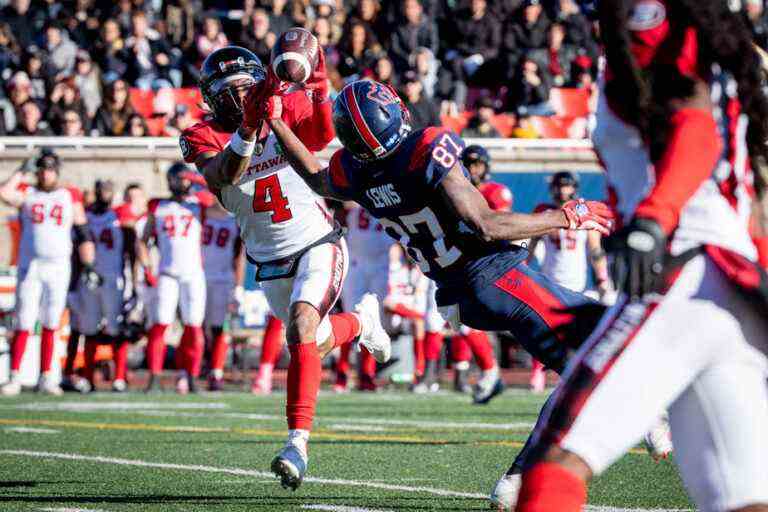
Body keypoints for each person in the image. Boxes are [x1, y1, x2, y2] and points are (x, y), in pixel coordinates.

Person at [513, 0, 768, 511]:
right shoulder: (725, 44)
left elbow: (692, 125)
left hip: (680, 270)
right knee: (741, 501)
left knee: (552, 466)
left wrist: (653, 216)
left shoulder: (655, 24)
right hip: (733, 288)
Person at [178, 46, 391, 490]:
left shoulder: (282, 105)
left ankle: (298, 443)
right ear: (210, 98)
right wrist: (251, 128)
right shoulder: (200, 134)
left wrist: (314, 81)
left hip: (318, 241)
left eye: (244, 89)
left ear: (258, 83)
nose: (238, 99)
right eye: (227, 92)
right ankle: (361, 322)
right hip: (269, 261)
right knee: (315, 339)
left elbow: (321, 130)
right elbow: (226, 175)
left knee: (300, 329)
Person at [0, 149, 99, 396]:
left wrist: (88, 265)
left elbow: (83, 230)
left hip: (58, 266)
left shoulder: (69, 195)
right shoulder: (27, 193)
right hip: (31, 266)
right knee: (24, 320)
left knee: (52, 321)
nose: (46, 174)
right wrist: (22, 169)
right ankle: (14, 376)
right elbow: (3, 193)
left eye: (50, 169)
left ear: (57, 171)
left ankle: (46, 376)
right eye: (42, 169)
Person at [527, 171, 610, 392]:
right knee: (542, 328)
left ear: (574, 188)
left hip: (577, 283)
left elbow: (595, 249)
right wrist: (522, 266)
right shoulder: (543, 212)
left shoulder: (583, 211)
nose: (562, 190)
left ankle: (579, 373)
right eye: (559, 186)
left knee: (582, 331)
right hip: (549, 280)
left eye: (566, 186)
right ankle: (538, 371)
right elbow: (530, 244)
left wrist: (602, 278)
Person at [137, 163, 208, 394]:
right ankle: (154, 377)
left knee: (194, 327)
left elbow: (220, 196)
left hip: (193, 273)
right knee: (160, 325)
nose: (181, 182)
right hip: (167, 273)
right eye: (177, 178)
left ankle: (192, 375)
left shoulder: (200, 204)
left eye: (184, 178)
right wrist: (147, 267)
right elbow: (143, 240)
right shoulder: (158, 205)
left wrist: (196, 179)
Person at [78, 179, 136, 392]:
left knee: (115, 328)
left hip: (114, 278)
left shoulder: (120, 216)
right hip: (90, 279)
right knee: (89, 328)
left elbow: (132, 249)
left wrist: (133, 281)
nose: (105, 194)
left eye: (108, 191)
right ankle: (88, 377)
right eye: (102, 190)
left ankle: (119, 377)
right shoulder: (85, 216)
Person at [336, 202, 393, 392]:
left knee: (373, 320)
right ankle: (342, 373)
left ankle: (367, 374)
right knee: (350, 317)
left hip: (381, 264)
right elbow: (342, 205)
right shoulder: (357, 189)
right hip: (356, 263)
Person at [202, 197, 245, 391]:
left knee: (220, 327)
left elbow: (239, 256)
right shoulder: (201, 212)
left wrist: (238, 285)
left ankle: (216, 371)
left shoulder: (236, 217)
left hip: (223, 278)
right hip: (198, 275)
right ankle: (198, 367)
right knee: (198, 326)